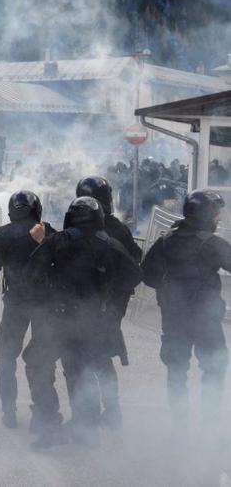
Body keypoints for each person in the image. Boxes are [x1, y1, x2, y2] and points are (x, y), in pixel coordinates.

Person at [23, 197, 141, 449]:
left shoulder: (57, 241)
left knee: (37, 363)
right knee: (79, 372)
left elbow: (31, 273)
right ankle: (86, 431)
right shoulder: (108, 243)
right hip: (91, 321)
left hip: (58, 319)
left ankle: (50, 424)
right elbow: (134, 275)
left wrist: (49, 292)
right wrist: (106, 293)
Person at [141, 190, 230, 436]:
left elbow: (147, 275)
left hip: (174, 319)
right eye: (216, 213)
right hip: (206, 322)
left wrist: (170, 289)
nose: (218, 218)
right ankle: (210, 427)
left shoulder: (166, 241)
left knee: (176, 371)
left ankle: (180, 427)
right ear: (207, 214)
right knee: (213, 369)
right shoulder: (212, 244)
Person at [0, 191, 55, 429]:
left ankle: (9, 411)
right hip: (45, 303)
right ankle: (43, 414)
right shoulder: (48, 231)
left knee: (6, 356)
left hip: (16, 302)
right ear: (36, 209)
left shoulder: (3, 234)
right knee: (42, 358)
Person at [74, 176, 142, 430]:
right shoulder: (118, 228)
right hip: (111, 303)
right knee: (100, 357)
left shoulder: (86, 229)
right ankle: (110, 412)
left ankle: (97, 415)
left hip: (94, 304)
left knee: (89, 358)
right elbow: (136, 258)